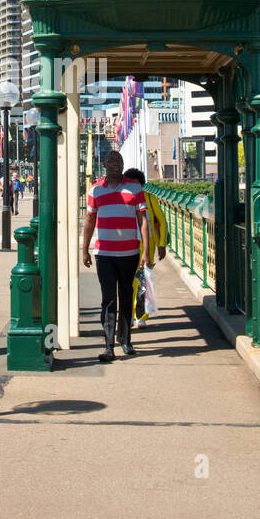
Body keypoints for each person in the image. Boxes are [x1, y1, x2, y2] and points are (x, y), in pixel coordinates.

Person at [82, 150, 150, 362]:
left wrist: (146, 250)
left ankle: (126, 340)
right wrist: (84, 249)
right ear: (104, 164)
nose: (115, 164)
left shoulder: (134, 187)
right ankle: (108, 345)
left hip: (129, 252)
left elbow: (143, 220)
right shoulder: (95, 191)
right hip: (104, 254)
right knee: (108, 299)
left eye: (119, 161)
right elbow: (90, 221)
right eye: (111, 161)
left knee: (126, 296)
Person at [122, 167, 167, 324]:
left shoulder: (149, 197)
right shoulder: (122, 197)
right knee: (128, 282)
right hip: (126, 245)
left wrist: (162, 244)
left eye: (137, 184)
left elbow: (161, 221)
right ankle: (128, 314)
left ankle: (140, 316)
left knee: (143, 280)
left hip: (146, 245)